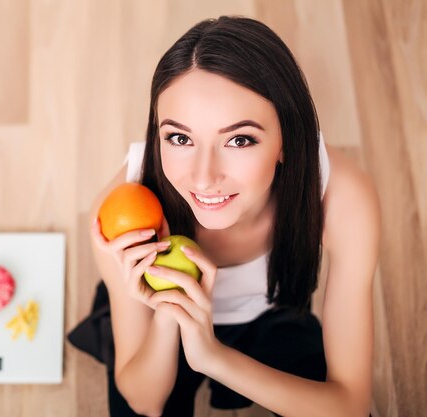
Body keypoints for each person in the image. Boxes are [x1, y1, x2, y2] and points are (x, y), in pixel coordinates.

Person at [68, 16, 379, 417]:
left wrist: (212, 356)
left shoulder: (344, 197)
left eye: (239, 139)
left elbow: (348, 406)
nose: (203, 177)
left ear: (287, 139)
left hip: (270, 315)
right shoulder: (124, 211)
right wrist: (168, 312)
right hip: (160, 317)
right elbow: (145, 401)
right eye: (179, 138)